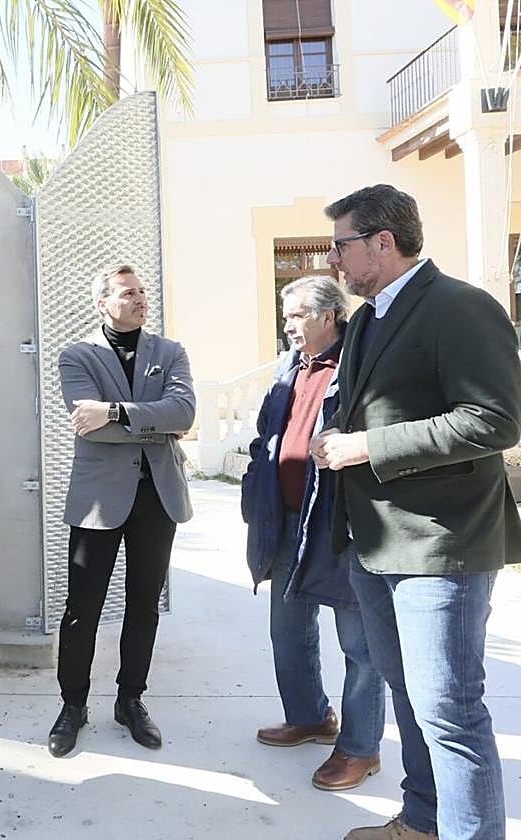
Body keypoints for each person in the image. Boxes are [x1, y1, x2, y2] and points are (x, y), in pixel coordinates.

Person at [311, 184, 521, 840]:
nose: (333, 261)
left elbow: (494, 420)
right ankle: (425, 822)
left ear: (382, 241)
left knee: (451, 714)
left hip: (440, 547)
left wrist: (366, 446)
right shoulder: (370, 319)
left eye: (341, 245)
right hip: (376, 545)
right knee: (411, 702)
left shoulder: (460, 307)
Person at [242, 275, 385, 791]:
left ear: (328, 316)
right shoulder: (290, 364)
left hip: (339, 524)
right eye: (286, 316)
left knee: (360, 644)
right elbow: (268, 432)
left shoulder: (360, 362)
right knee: (288, 628)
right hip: (284, 519)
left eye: (296, 316)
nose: (288, 326)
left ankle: (360, 748)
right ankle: (309, 716)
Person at [47, 264, 195, 758]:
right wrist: (153, 424)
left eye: (143, 292)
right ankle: (73, 705)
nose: (140, 299)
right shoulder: (77, 355)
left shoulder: (170, 353)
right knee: (81, 610)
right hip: (98, 501)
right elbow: (84, 424)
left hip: (158, 496)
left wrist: (115, 412)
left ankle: (130, 701)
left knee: (143, 606)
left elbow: (185, 414)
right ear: (102, 302)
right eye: (128, 293)